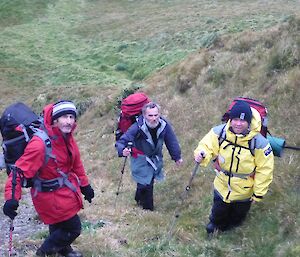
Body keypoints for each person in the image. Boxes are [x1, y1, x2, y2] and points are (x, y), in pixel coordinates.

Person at [3, 100, 95, 257]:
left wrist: (85, 186)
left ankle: (63, 250)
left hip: (63, 191)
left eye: (72, 117)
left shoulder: (66, 137)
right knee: (73, 228)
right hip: (48, 195)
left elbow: (76, 162)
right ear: (55, 120)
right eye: (64, 117)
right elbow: (18, 172)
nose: (69, 121)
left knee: (59, 224)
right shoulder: (39, 144)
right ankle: (44, 253)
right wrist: (11, 198)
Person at [194, 101, 274, 234]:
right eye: (235, 119)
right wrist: (201, 154)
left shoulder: (260, 143)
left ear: (249, 122)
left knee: (238, 217)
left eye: (242, 121)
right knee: (218, 211)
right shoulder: (219, 132)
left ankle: (232, 230)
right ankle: (215, 225)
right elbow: (206, 146)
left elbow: (265, 170)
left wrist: (258, 193)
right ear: (230, 119)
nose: (238, 124)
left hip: (244, 190)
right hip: (222, 184)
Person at [115, 102, 183, 211]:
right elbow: (122, 141)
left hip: (155, 158)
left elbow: (171, 140)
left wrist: (177, 157)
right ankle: (148, 209)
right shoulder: (136, 127)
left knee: (147, 181)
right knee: (146, 183)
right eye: (150, 115)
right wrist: (122, 150)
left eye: (156, 115)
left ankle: (139, 199)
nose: (154, 118)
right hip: (140, 158)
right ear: (144, 115)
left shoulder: (164, 125)